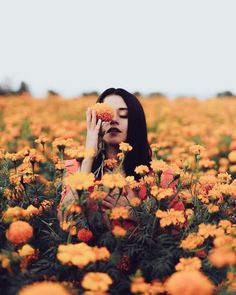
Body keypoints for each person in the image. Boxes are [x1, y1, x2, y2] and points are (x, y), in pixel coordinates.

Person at [57, 88, 183, 223]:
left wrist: (135, 214)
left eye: (123, 115)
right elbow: (65, 221)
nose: (114, 120)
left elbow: (177, 232)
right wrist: (89, 155)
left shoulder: (162, 178)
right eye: (107, 115)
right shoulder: (76, 169)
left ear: (136, 122)